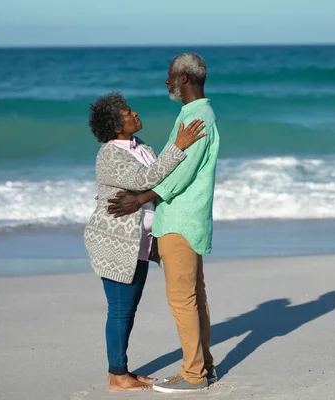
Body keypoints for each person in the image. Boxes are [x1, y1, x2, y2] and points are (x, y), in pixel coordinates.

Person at [106, 53, 219, 393]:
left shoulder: (197, 116)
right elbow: (166, 166)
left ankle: (194, 375)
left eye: (170, 76)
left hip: (180, 220)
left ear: (184, 79)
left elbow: (180, 173)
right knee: (194, 297)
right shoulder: (194, 113)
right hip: (183, 218)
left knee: (183, 300)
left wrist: (139, 199)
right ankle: (205, 367)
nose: (167, 81)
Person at [84, 91, 206, 391]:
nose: (135, 113)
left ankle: (122, 369)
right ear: (115, 125)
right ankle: (116, 376)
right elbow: (144, 180)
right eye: (127, 112)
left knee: (129, 308)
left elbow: (157, 179)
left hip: (139, 243)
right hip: (115, 242)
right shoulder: (110, 152)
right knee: (120, 308)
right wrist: (178, 146)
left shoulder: (141, 146)